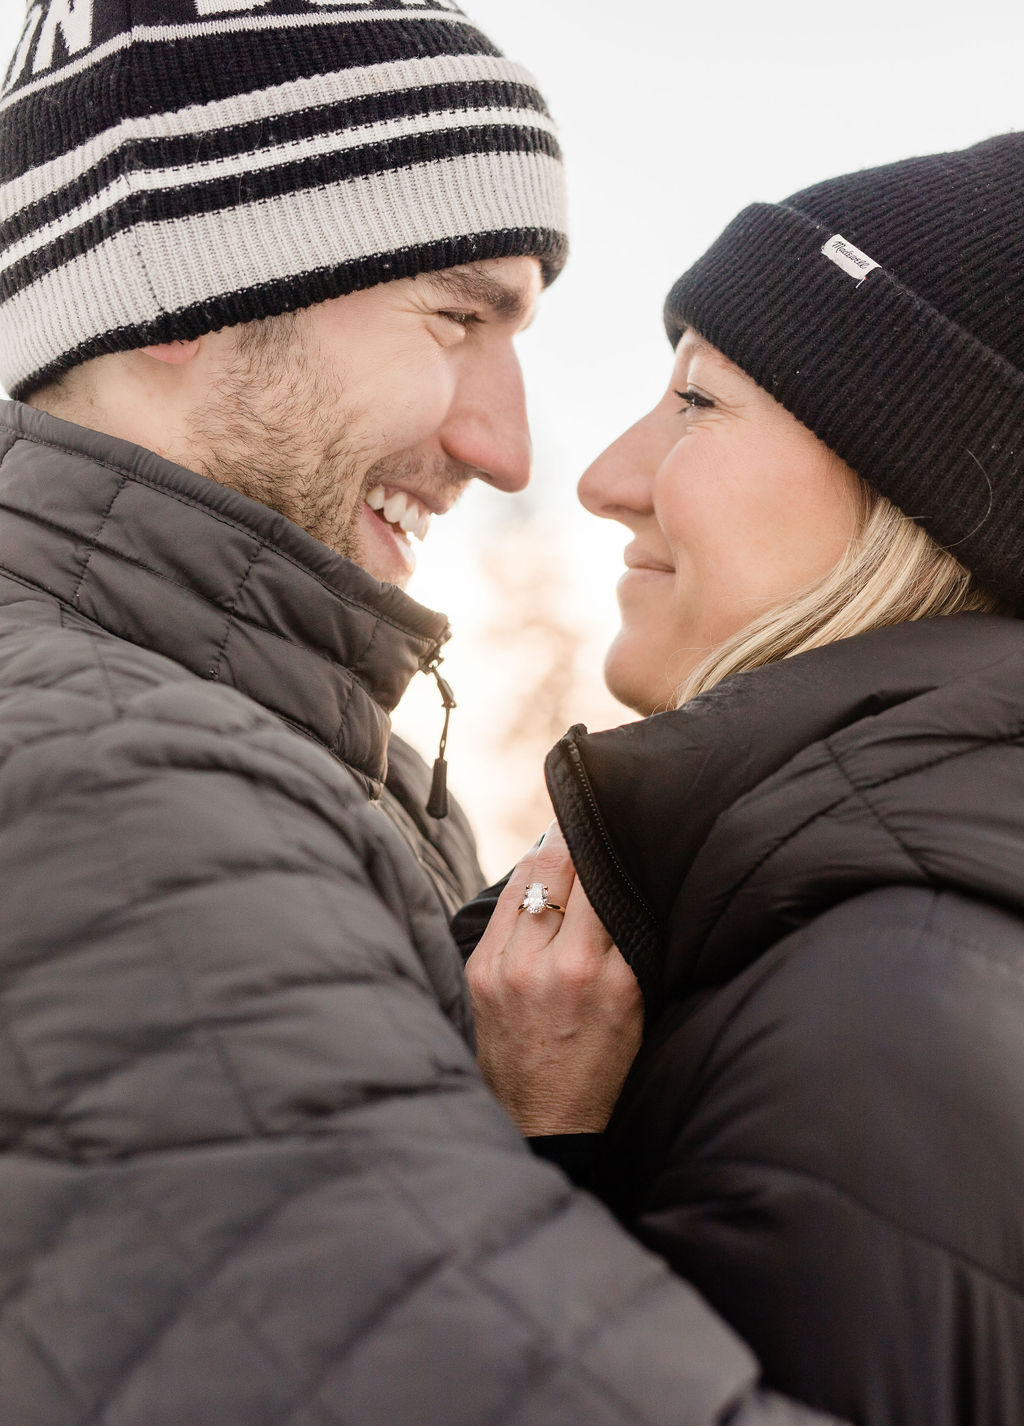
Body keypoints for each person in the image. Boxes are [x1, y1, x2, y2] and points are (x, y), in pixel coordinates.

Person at [0, 2, 848, 1424]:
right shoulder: (116, 795)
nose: (509, 445)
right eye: (460, 316)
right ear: (191, 293)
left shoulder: (317, 757)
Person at [462, 132, 1024, 1426]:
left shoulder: (891, 1017)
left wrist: (542, 1149)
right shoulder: (853, 942)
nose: (605, 477)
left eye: (699, 403)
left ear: (915, 493)